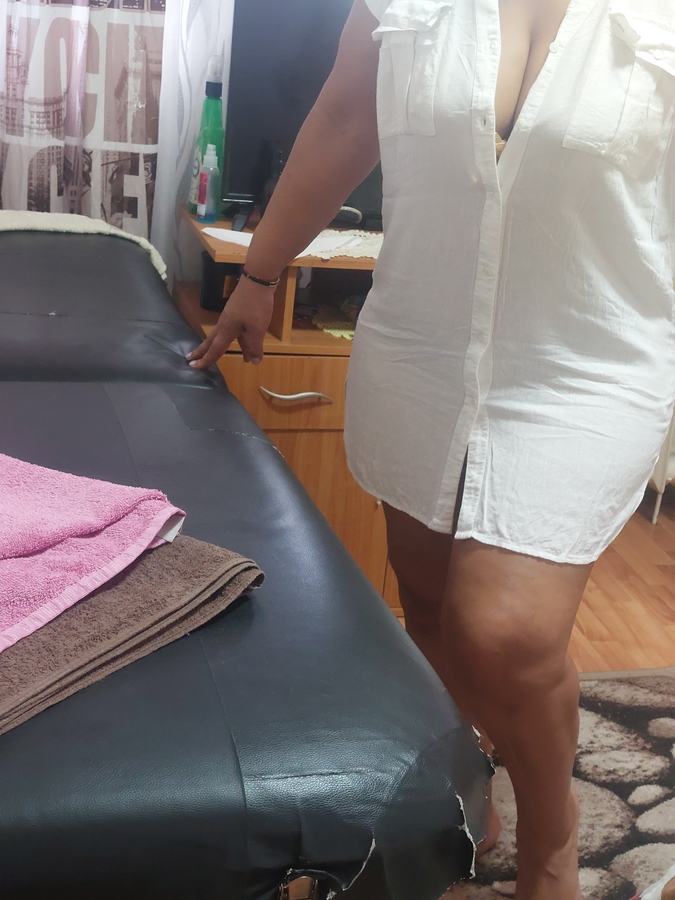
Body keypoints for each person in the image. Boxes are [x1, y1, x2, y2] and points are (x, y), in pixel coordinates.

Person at [188, 1, 675, 897]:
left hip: (587, 358)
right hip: (420, 346)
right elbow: (344, 119)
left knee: (505, 631)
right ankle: (464, 773)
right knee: (427, 599)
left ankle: (552, 839)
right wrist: (259, 271)